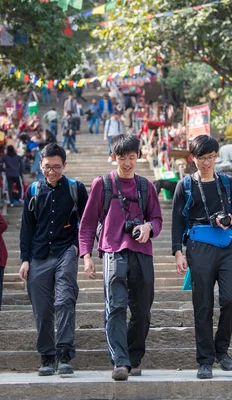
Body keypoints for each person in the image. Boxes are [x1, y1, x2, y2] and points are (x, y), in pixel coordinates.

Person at [79, 134, 163, 381]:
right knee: (115, 307)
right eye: (122, 157)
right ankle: (120, 362)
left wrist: (148, 228)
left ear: (138, 156)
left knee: (143, 310)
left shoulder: (146, 186)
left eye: (132, 157)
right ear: (113, 157)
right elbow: (87, 224)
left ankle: (134, 357)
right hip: (113, 251)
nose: (127, 162)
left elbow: (157, 219)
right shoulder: (102, 184)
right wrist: (86, 255)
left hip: (142, 252)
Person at [171, 135, 232, 379]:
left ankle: (221, 350)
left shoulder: (227, 182)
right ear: (193, 159)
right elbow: (175, 223)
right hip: (198, 246)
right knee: (202, 304)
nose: (207, 163)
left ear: (217, 157)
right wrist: (177, 253)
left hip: (225, 245)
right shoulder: (185, 186)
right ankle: (205, 360)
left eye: (211, 158)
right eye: (202, 158)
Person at [19, 143, 88, 376]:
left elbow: (87, 222)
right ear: (40, 165)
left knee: (65, 300)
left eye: (56, 167)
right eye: (47, 167)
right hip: (38, 255)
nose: (51, 171)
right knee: (42, 308)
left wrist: (81, 247)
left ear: (64, 165)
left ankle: (64, 353)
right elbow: (26, 228)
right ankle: (47, 357)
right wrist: (24, 259)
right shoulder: (33, 191)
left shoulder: (75, 189)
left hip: (66, 251)